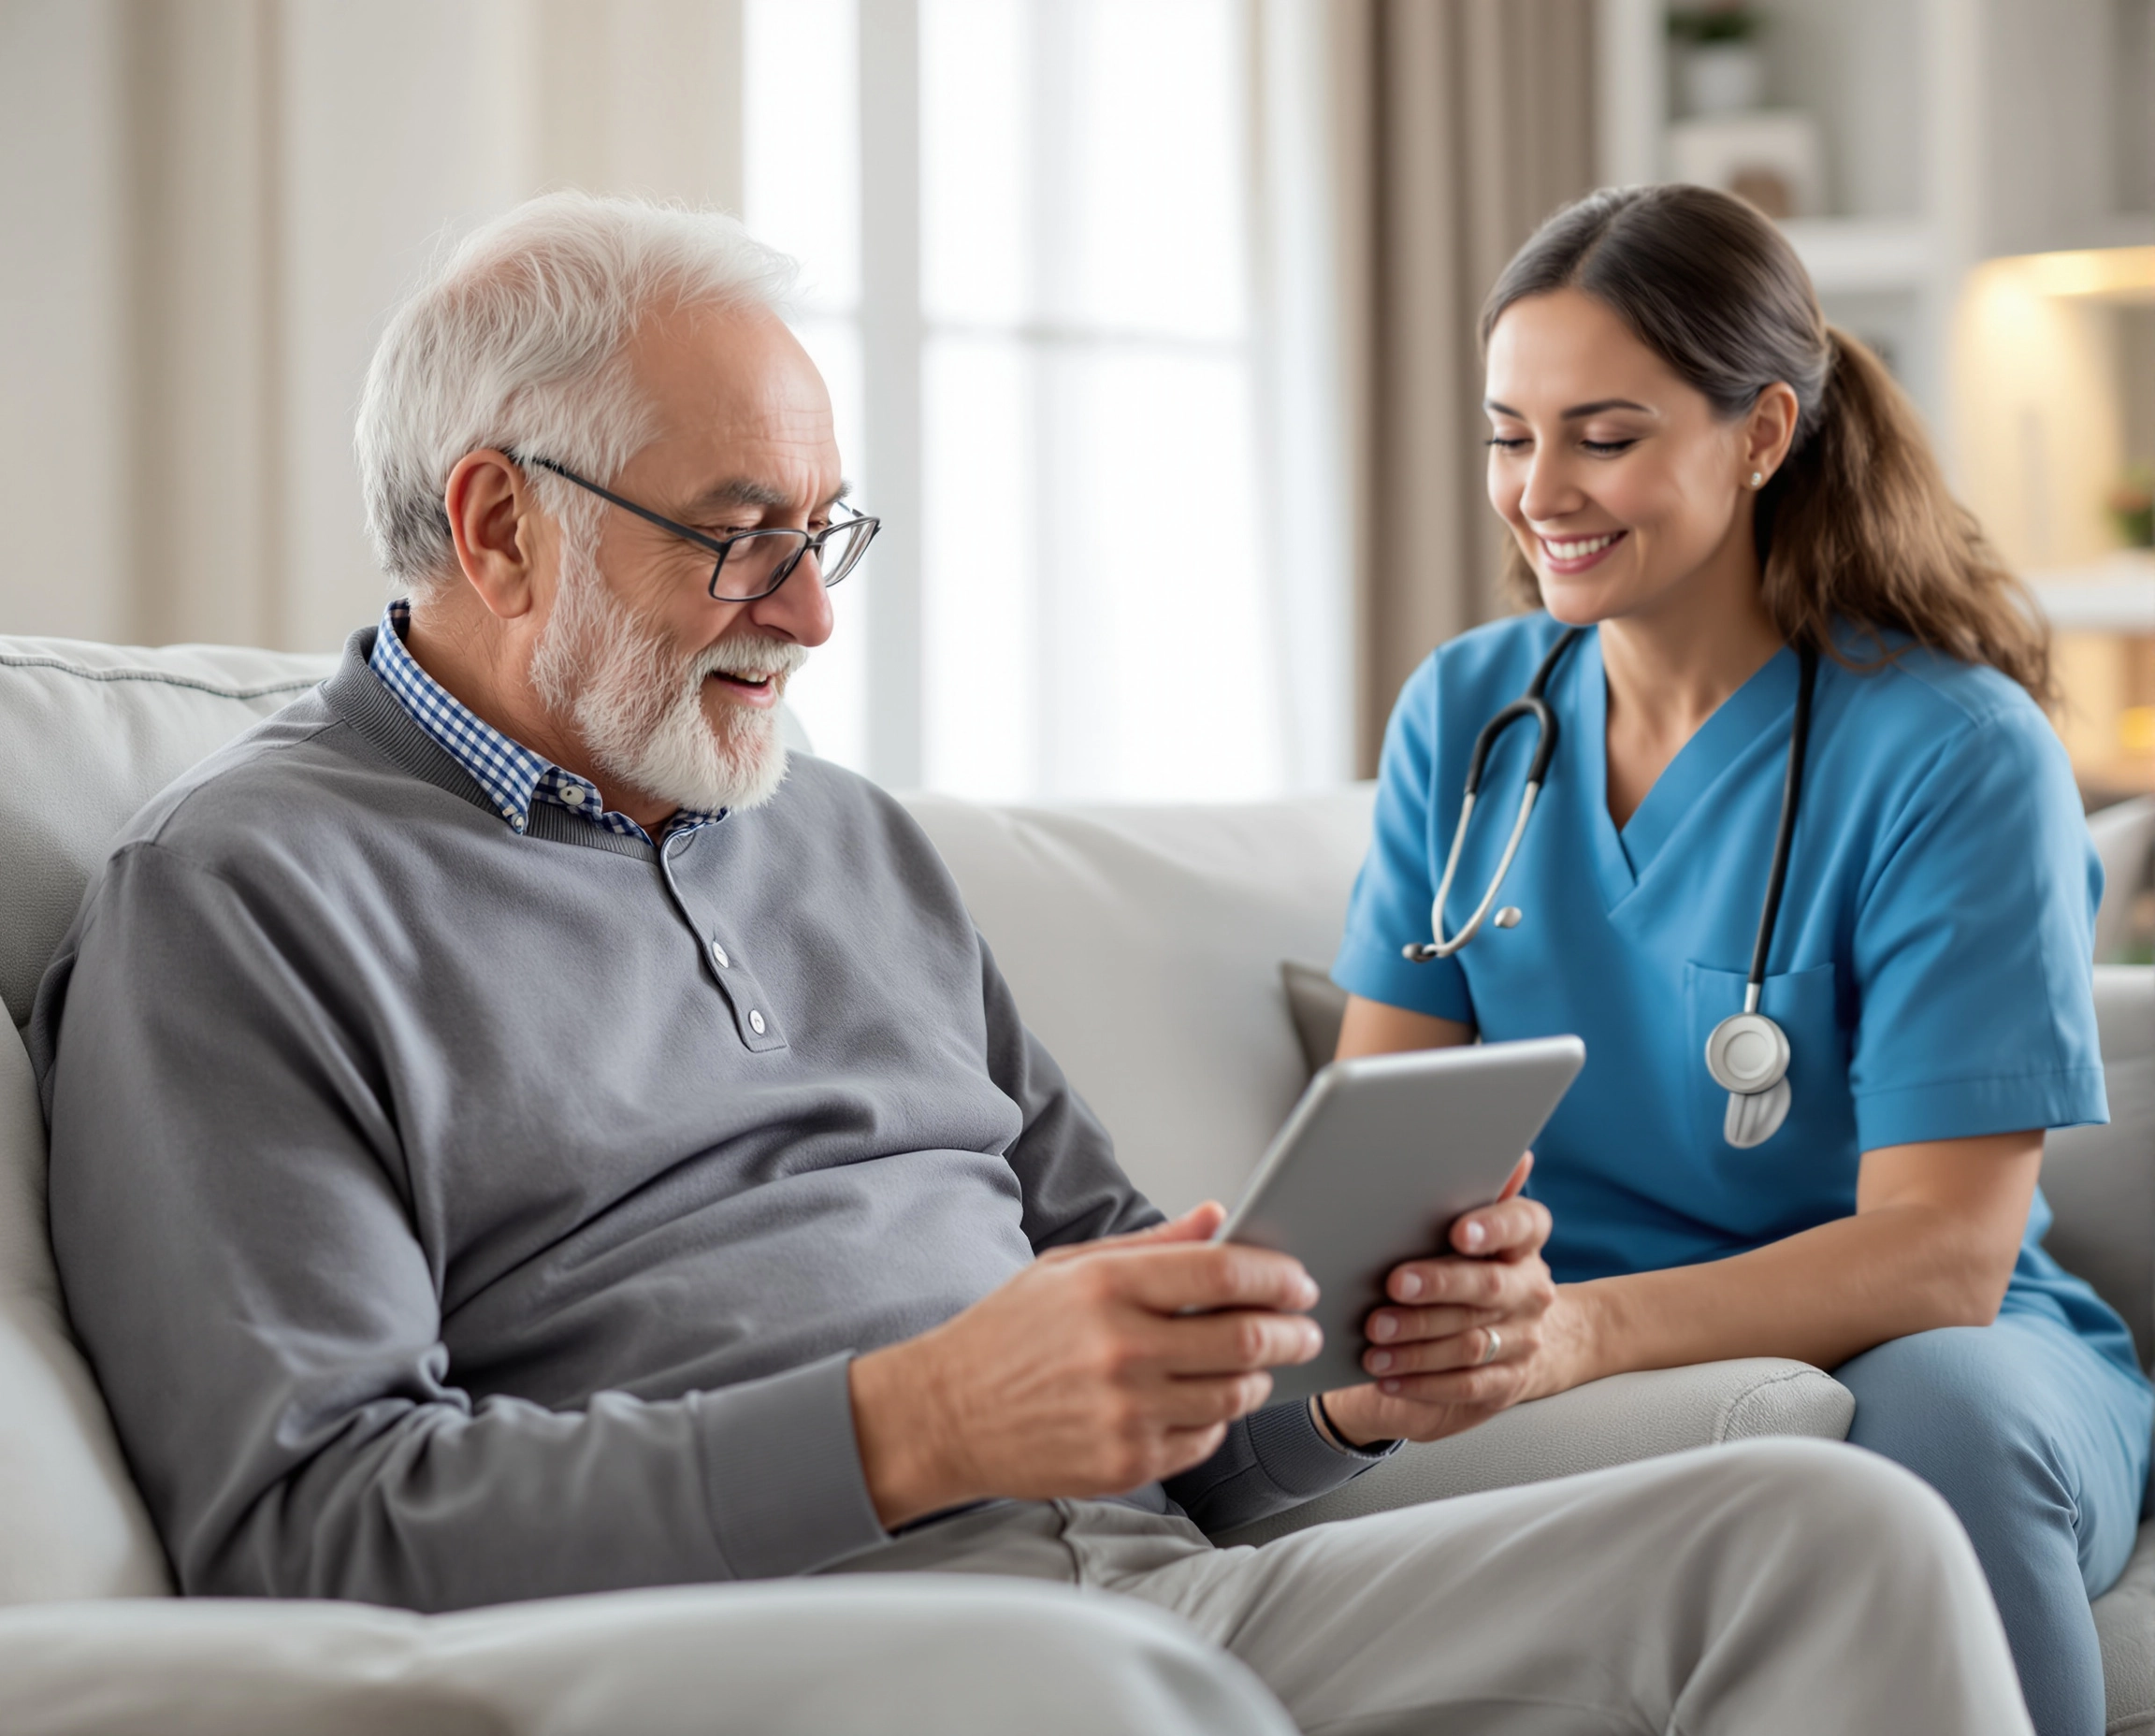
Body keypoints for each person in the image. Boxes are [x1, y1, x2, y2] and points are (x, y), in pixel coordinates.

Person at [32, 192, 2031, 1735]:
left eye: (832, 531)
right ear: (497, 527)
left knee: (1835, 1538)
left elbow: (1171, 1368)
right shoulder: (243, 899)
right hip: (796, 1642)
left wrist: (1337, 1360)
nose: (812, 613)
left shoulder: (846, 839)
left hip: (1152, 1591)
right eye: (741, 537)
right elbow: (313, 1523)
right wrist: (915, 1427)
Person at [1332, 182, 2152, 1736]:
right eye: (1513, 434)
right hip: (1551, 1338)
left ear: (1762, 434)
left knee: (1940, 1420)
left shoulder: (1952, 752)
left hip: (1935, 1347)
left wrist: (1577, 1334)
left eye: (1606, 433)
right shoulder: (1470, 715)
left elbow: (1943, 1257)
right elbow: (1375, 1135)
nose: (1541, 488)